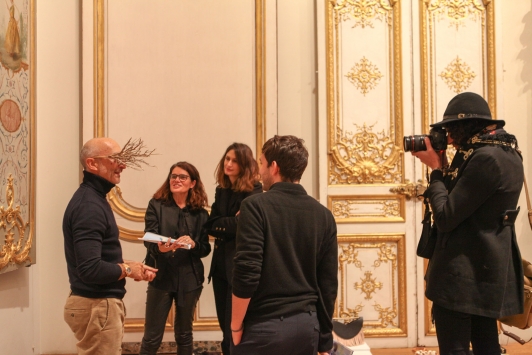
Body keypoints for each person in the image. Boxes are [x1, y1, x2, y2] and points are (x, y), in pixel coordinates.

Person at [411, 92, 524, 355]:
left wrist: (436, 171)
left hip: (464, 274)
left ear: (466, 126)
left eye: (451, 129)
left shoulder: (484, 158)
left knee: (455, 348)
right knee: (486, 345)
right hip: (485, 269)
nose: (448, 137)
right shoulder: (508, 152)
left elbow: (446, 216)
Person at [231, 135, 338, 355]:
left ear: (274, 166)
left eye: (261, 163)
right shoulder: (324, 215)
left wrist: (235, 325)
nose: (259, 171)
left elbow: (247, 272)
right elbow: (328, 285)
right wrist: (324, 339)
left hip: (264, 326)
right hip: (308, 326)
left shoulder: (254, 206)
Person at [63, 137, 157, 355]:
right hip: (97, 306)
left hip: (97, 306)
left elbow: (94, 259)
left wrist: (129, 265)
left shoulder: (93, 199)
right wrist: (126, 269)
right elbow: (90, 269)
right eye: (116, 159)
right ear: (92, 164)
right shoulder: (89, 206)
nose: (122, 165)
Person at [140, 161, 211, 355]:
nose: (176, 180)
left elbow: (205, 249)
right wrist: (161, 249)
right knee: (152, 337)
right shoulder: (156, 205)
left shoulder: (201, 213)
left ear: (192, 183)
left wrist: (194, 244)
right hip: (161, 275)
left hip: (190, 278)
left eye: (182, 177)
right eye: (173, 176)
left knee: (184, 334)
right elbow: (148, 238)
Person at [203, 142, 262, 355]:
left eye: (235, 160)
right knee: (223, 324)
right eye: (227, 159)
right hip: (219, 267)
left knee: (233, 327)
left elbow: (243, 225)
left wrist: (224, 223)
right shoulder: (222, 190)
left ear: (244, 164)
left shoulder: (254, 190)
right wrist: (230, 222)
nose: (228, 164)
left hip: (238, 267)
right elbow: (210, 225)